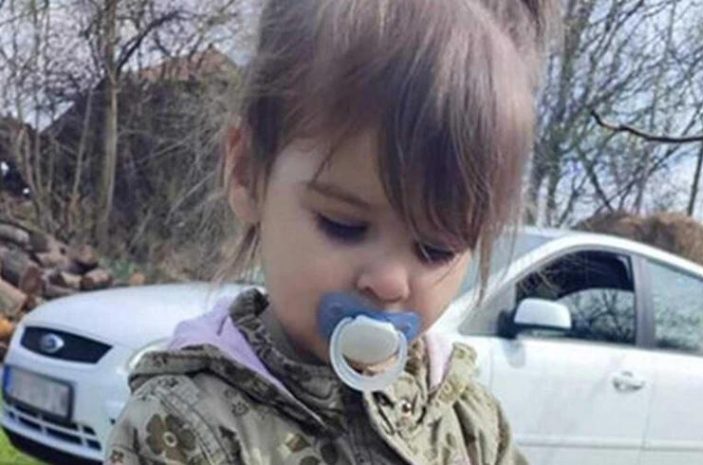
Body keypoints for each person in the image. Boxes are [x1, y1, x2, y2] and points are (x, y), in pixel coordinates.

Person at [105, 0, 552, 463]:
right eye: (344, 225)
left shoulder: (469, 422)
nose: (389, 282)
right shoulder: (183, 423)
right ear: (247, 172)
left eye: (436, 249)